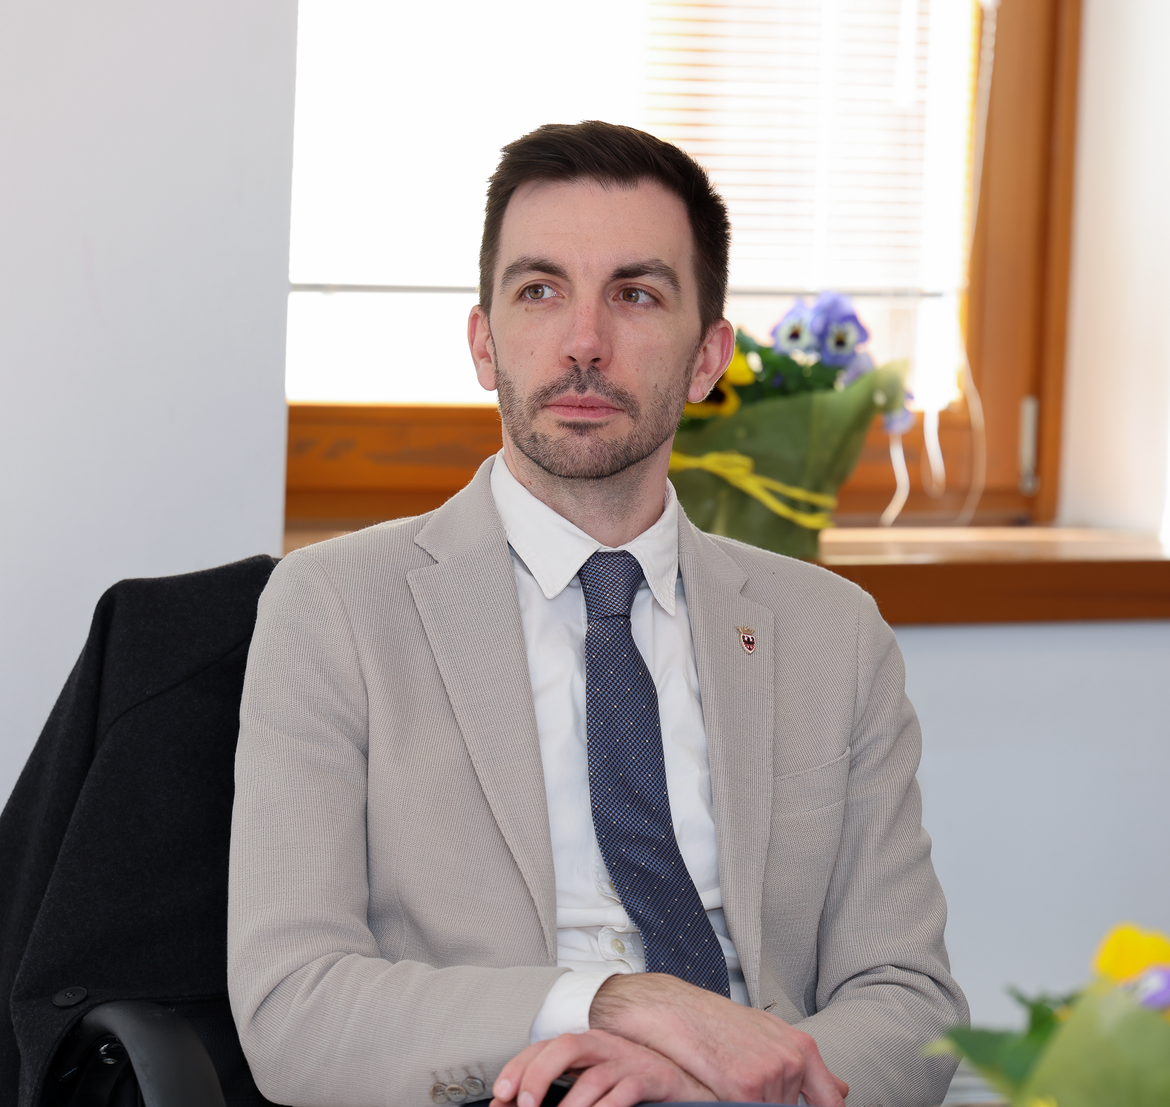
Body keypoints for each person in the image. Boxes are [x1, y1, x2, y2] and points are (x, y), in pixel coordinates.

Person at [228, 121, 967, 1107]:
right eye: (540, 291)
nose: (583, 342)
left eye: (636, 294)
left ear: (707, 358)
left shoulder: (834, 634)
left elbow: (911, 1001)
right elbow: (294, 1009)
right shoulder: (332, 609)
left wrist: (707, 1080)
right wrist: (610, 1005)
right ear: (484, 341)